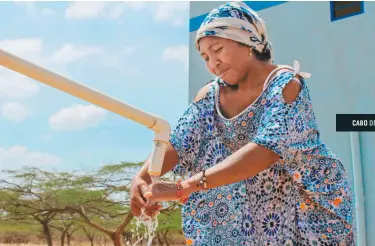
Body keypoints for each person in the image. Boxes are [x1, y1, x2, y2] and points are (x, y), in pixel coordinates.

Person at [130, 2, 355, 245]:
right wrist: (142, 177)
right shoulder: (208, 96)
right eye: (205, 57)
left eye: (218, 49)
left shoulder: (286, 85)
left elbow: (266, 150)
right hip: (243, 205)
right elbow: (179, 143)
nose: (212, 63)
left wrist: (194, 183)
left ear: (247, 41)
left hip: (300, 205)